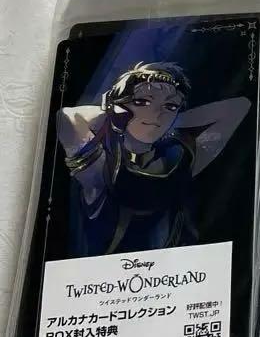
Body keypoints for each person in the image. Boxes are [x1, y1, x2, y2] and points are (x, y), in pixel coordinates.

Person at [57, 63, 250, 256]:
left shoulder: (180, 157)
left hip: (180, 270)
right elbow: (68, 117)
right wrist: (109, 108)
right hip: (110, 271)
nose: (156, 114)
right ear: (117, 106)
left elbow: (238, 107)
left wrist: (171, 118)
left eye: (170, 106)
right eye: (141, 102)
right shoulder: (103, 164)